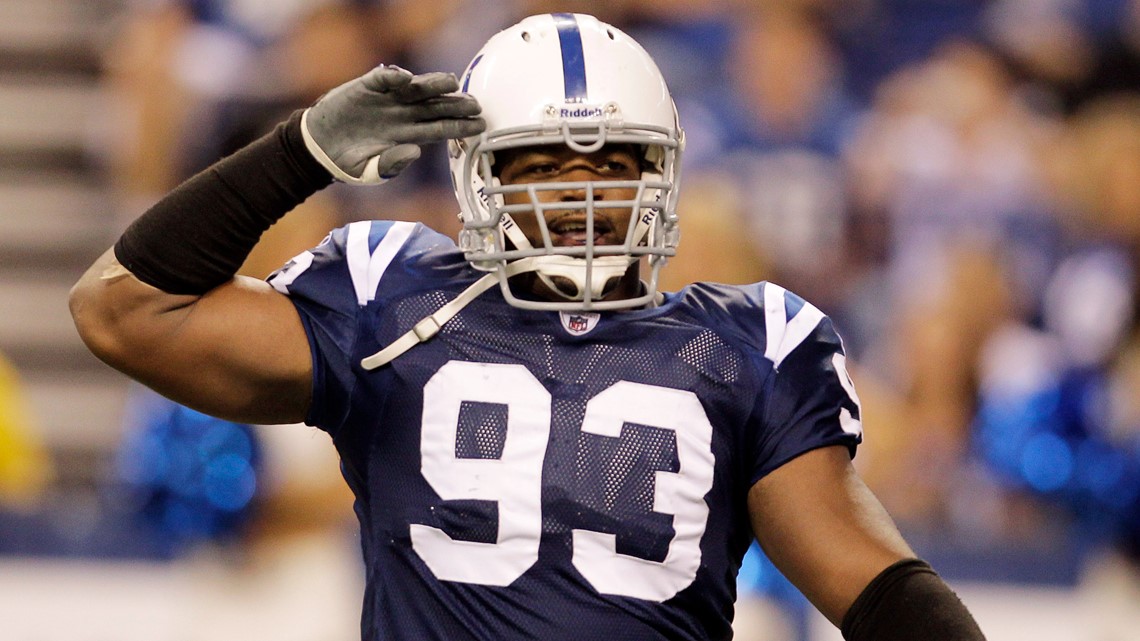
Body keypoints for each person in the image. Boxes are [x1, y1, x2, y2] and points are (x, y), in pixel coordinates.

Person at [70, 12, 986, 641]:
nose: (582, 194)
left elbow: (875, 584)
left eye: (616, 162)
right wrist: (295, 154)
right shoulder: (391, 301)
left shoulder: (748, 344)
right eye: (541, 164)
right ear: (477, 174)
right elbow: (124, 309)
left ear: (664, 172)